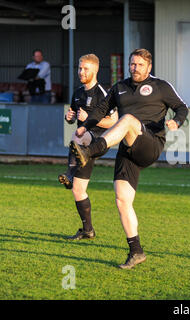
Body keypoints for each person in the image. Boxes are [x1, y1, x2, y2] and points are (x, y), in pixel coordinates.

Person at [70, 48, 188, 269]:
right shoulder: (120, 87)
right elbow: (100, 110)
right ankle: (136, 251)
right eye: (132, 64)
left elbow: (182, 107)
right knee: (122, 200)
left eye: (140, 65)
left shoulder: (160, 86)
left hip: (150, 143)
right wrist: (84, 126)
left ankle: (90, 152)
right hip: (127, 149)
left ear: (149, 67)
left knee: (127, 120)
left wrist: (177, 122)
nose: (135, 68)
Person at [59, 53, 118, 240]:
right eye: (79, 68)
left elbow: (114, 122)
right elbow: (73, 117)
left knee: (79, 134)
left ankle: (69, 173)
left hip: (99, 140)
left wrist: (90, 120)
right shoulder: (77, 93)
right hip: (82, 147)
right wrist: (70, 118)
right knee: (78, 189)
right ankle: (88, 230)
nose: (81, 72)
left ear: (95, 70)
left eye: (85, 69)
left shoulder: (103, 93)